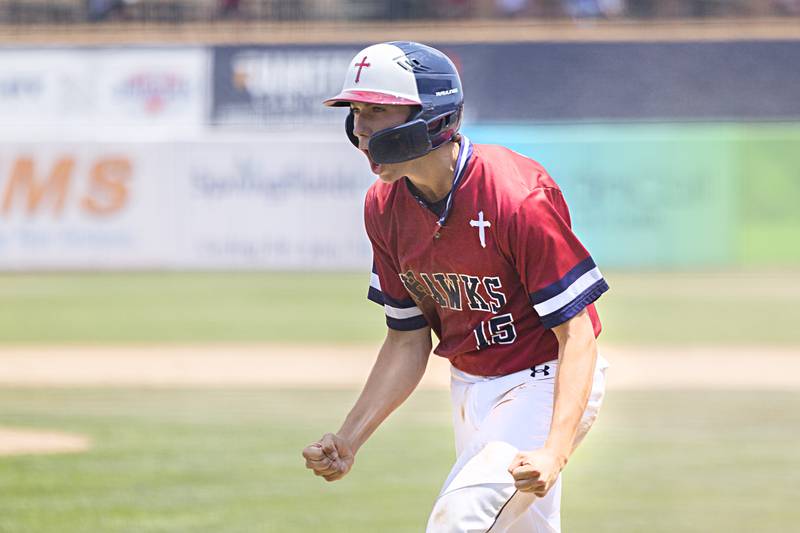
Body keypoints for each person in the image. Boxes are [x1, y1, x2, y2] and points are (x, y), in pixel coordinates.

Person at [302, 41, 610, 533]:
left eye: (377, 111)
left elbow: (577, 334)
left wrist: (554, 448)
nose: (360, 130)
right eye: (356, 112)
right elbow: (406, 338)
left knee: (459, 518)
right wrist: (350, 437)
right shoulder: (383, 208)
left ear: (431, 116)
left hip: (544, 381)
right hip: (471, 387)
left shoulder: (515, 198)